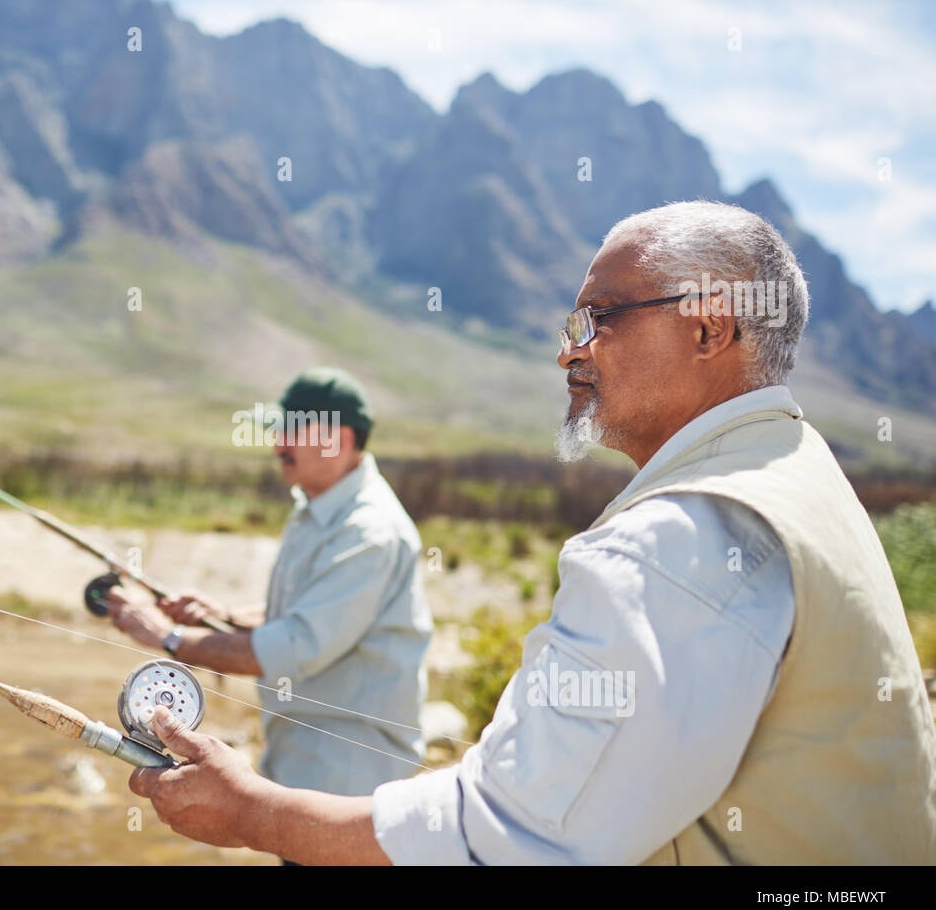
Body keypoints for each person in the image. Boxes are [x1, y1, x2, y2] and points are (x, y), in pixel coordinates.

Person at [121, 201, 936, 865]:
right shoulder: (798, 473)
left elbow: (514, 836)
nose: (568, 353)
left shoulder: (680, 538)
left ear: (708, 329)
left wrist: (253, 814)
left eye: (600, 317)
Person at [105, 367, 434, 804]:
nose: (278, 444)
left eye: (293, 431)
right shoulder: (317, 509)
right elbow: (310, 615)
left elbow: (295, 646)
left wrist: (167, 637)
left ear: (343, 438)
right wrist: (225, 618)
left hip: (351, 783)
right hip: (302, 762)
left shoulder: (369, 533)